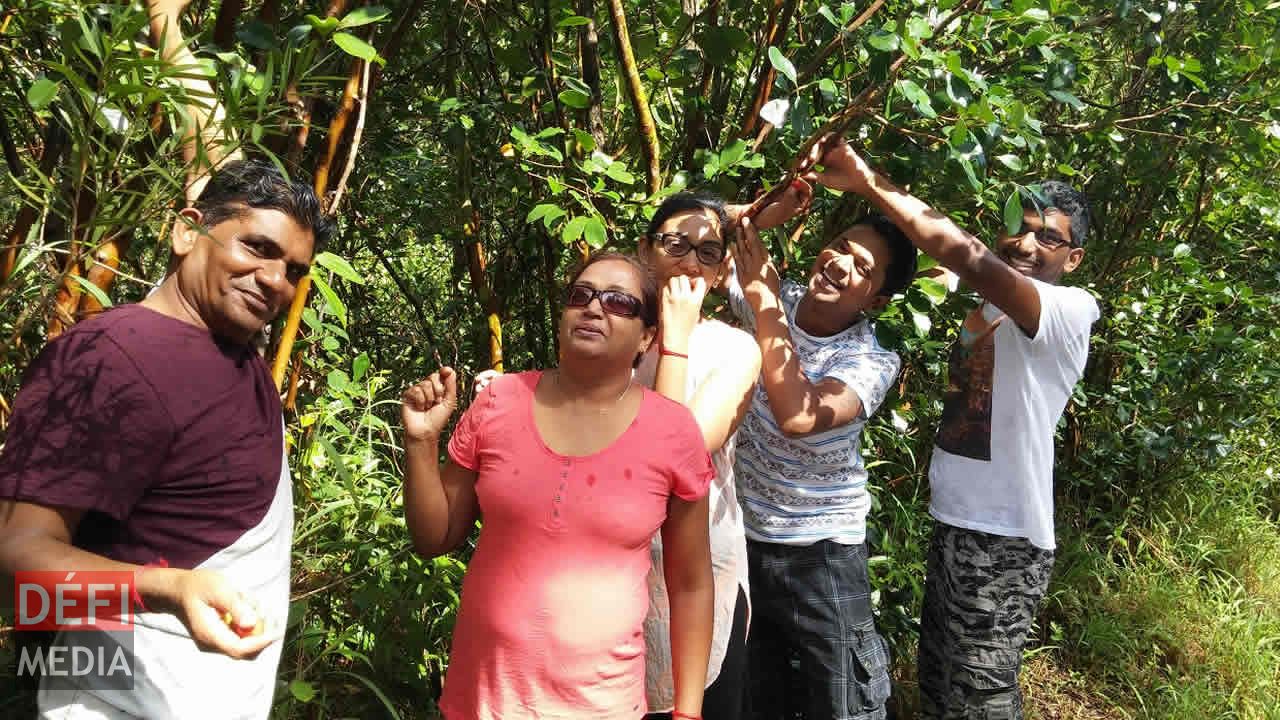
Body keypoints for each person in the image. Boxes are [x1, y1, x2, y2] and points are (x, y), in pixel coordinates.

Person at [0, 158, 331, 718]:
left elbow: (213, 137)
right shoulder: (110, 359)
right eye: (257, 248)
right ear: (186, 232)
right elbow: (14, 559)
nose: (276, 280)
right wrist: (169, 589)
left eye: (294, 270)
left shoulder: (230, 345)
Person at [808, 137, 1100, 719]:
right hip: (956, 522)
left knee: (981, 699)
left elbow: (964, 255)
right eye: (1020, 228)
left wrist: (867, 179)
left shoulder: (1068, 309)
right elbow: (949, 265)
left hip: (1006, 537)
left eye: (1049, 237)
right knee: (941, 687)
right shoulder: (992, 305)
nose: (1026, 244)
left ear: (1073, 258)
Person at [400, 252, 716, 720]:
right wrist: (421, 442)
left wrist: (688, 712)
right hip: (482, 700)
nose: (594, 308)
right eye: (580, 296)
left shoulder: (673, 431)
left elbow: (691, 584)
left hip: (603, 705)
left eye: (618, 302)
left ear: (647, 337)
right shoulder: (501, 400)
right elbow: (434, 537)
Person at [726, 192, 919, 719]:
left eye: (863, 268)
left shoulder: (870, 359)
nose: (839, 263)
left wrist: (765, 305)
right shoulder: (778, 299)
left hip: (821, 551)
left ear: (877, 300)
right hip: (746, 539)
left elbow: (799, 416)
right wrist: (765, 212)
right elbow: (698, 241)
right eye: (840, 246)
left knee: (845, 703)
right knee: (758, 696)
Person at [633, 193, 761, 720]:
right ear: (645, 250)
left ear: (721, 268)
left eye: (707, 252)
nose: (690, 262)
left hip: (700, 575)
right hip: (613, 577)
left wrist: (678, 337)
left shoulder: (735, 349)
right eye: (676, 245)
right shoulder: (614, 335)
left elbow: (675, 453)